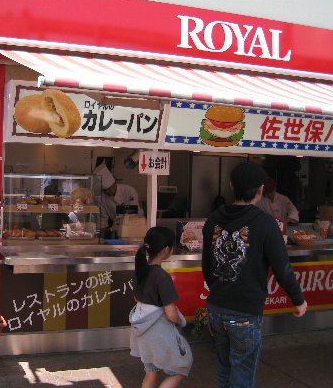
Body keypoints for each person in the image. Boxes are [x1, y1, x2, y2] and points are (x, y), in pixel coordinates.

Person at [202, 161, 307, 388]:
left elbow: (207, 268)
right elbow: (282, 268)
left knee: (225, 369)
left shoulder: (212, 221)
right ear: (260, 190)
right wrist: (298, 299)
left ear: (231, 185)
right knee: (242, 376)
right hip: (245, 313)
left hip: (216, 309)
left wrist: (221, 288)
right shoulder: (265, 224)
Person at [130, 226, 192, 387]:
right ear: (166, 250)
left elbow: (136, 298)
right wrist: (180, 321)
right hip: (159, 333)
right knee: (181, 368)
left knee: (151, 371)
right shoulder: (162, 277)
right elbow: (171, 314)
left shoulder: (139, 271)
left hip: (143, 333)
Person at [93, 160, 117, 238]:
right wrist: (101, 239)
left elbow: (135, 213)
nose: (107, 192)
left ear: (114, 183)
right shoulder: (102, 198)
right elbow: (103, 221)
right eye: (105, 190)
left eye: (109, 189)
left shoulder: (128, 190)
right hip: (115, 228)